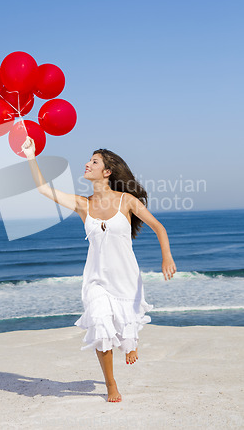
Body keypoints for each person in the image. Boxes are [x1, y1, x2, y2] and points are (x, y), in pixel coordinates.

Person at [21, 136, 177, 403]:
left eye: (93, 161)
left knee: (126, 326)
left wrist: (167, 258)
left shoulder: (126, 201)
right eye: (89, 160)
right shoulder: (83, 204)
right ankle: (111, 384)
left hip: (125, 278)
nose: (86, 164)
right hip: (96, 280)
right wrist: (30, 156)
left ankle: (130, 342)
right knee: (101, 327)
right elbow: (44, 190)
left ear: (107, 172)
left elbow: (159, 228)